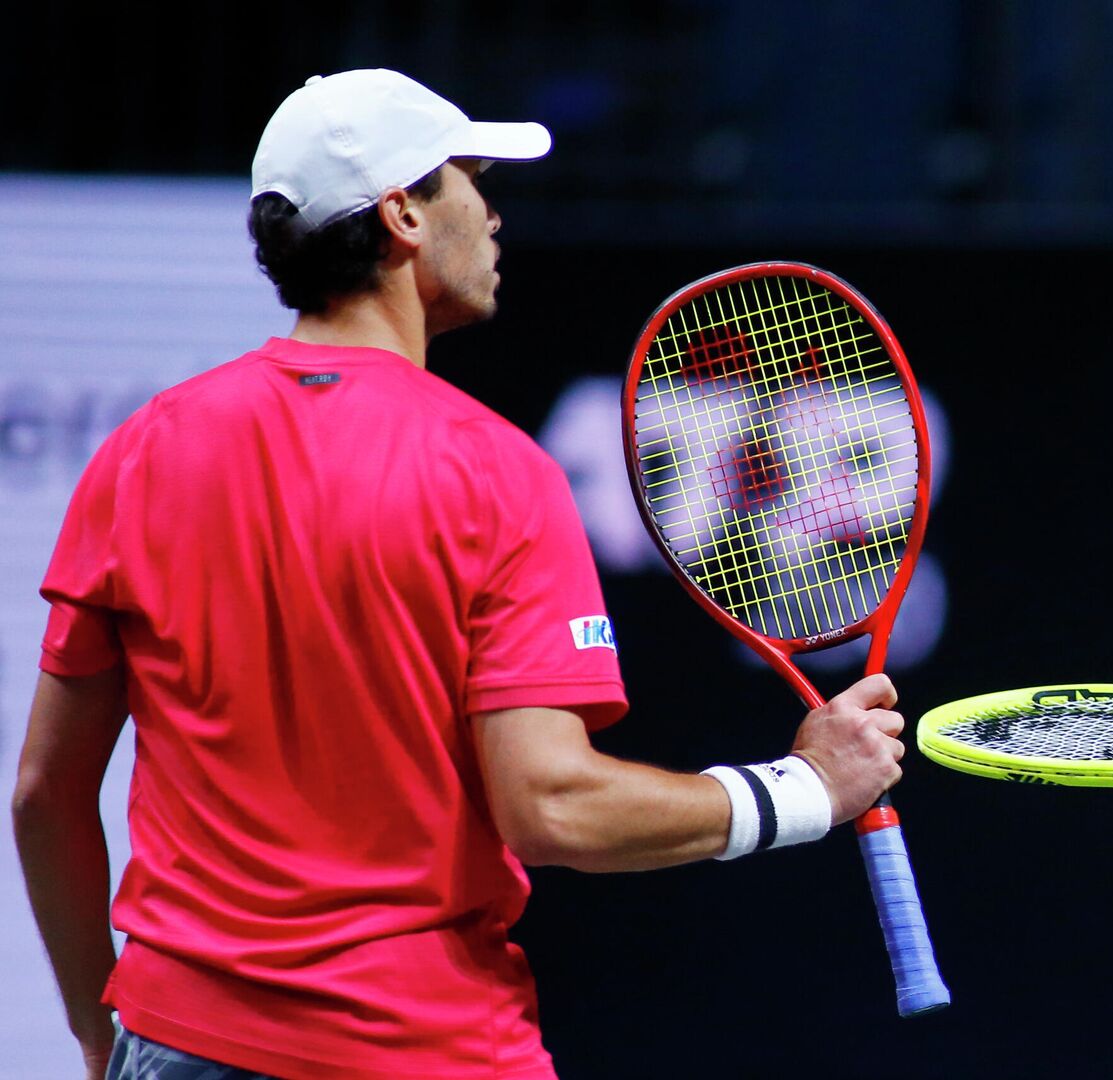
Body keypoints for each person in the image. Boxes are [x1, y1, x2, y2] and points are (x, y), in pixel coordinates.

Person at [12, 68, 906, 1080]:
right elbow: (555, 808)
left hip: (178, 1043)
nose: (492, 213)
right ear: (401, 215)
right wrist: (804, 791)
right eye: (469, 179)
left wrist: (101, 1028)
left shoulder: (144, 449)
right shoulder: (496, 473)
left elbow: (45, 792)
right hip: (422, 1051)